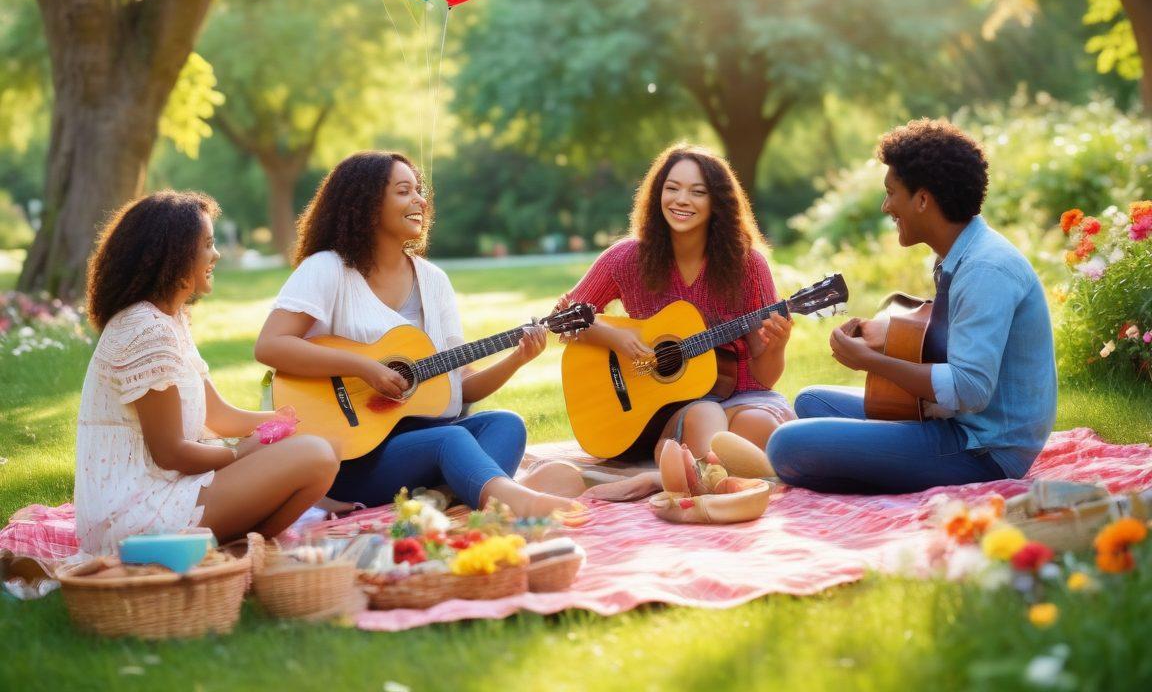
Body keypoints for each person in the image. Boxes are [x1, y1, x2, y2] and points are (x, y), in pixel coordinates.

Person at [254, 151, 574, 518]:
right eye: (404, 191)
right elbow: (271, 345)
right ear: (367, 203)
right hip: (350, 455)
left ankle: (441, 500)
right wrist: (363, 367)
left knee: (506, 425)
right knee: (452, 439)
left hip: (419, 444)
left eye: (419, 190)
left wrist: (517, 358)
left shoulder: (434, 281)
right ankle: (509, 501)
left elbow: (460, 387)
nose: (420, 200)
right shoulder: (327, 269)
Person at [768, 119, 1058, 493]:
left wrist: (870, 362)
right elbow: (957, 338)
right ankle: (887, 467)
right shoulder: (962, 253)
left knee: (787, 445)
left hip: (985, 449)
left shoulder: (986, 268)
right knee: (811, 402)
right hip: (956, 423)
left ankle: (887, 473)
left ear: (922, 200)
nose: (886, 206)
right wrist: (882, 336)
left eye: (891, 193)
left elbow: (969, 389)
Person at [75, 192, 338, 555]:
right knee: (315, 456)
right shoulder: (145, 330)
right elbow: (171, 454)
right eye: (208, 245)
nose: (216, 256)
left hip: (167, 490)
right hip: (137, 514)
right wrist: (240, 455)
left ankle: (235, 552)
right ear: (176, 253)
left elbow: (220, 415)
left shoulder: (170, 320)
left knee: (319, 445)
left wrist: (288, 422)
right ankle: (233, 553)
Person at [549, 144, 794, 499]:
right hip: (674, 407)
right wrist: (613, 338)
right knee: (708, 416)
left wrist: (779, 345)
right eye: (672, 188)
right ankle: (688, 473)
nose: (682, 200)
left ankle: (667, 476)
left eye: (698, 192)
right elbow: (560, 319)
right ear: (657, 193)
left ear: (717, 203)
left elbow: (765, 377)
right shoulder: (626, 258)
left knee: (765, 431)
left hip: (744, 395)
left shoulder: (749, 266)